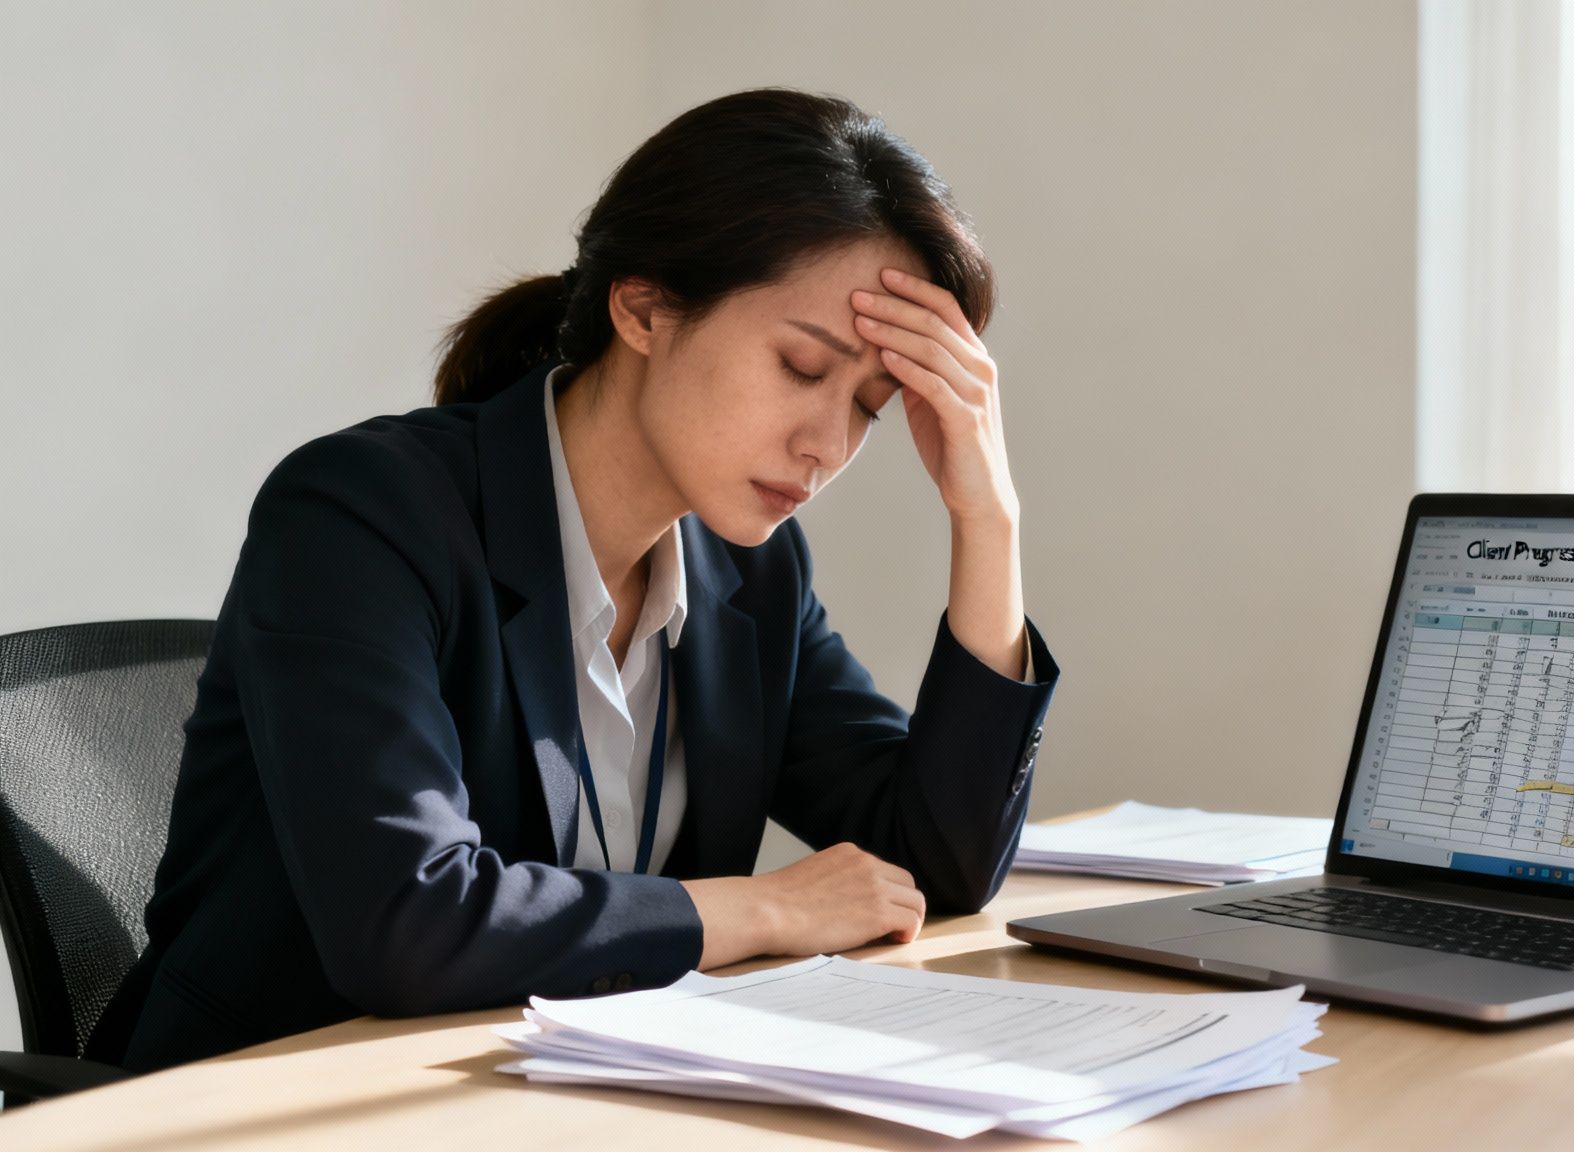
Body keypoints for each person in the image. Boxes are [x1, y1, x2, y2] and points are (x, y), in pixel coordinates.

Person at [110, 88, 1057, 1071]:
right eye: (798, 366)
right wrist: (760, 907)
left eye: (868, 405)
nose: (826, 444)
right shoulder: (360, 514)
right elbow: (407, 924)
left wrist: (986, 517)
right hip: (275, 1102)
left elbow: (935, 864)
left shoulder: (749, 569)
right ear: (643, 308)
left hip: (558, 1100)